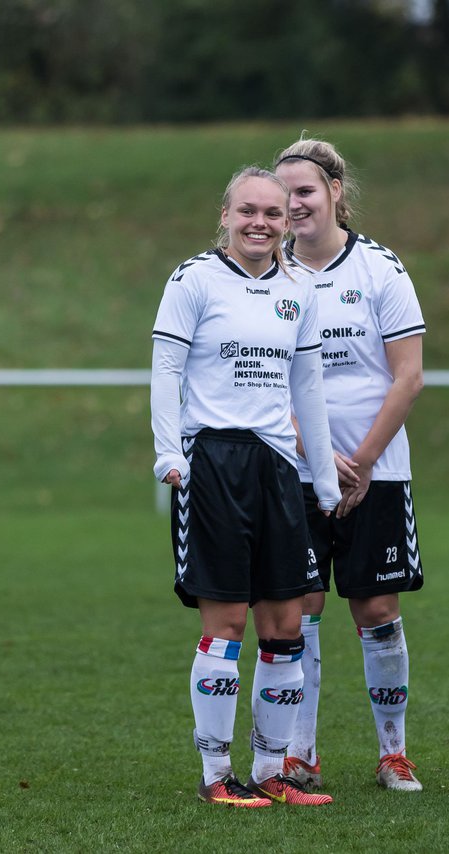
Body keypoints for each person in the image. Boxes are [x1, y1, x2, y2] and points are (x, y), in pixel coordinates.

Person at [150, 166, 342, 808]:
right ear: (225, 216)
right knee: (228, 619)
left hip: (277, 466)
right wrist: (168, 452)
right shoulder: (194, 280)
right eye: (247, 211)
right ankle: (214, 775)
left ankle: (270, 771)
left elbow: (307, 387)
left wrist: (318, 476)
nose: (260, 223)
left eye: (273, 213)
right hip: (215, 462)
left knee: (285, 621)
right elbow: (166, 368)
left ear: (288, 221)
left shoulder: (301, 289)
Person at [272, 138, 427, 792]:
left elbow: (409, 377)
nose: (292, 206)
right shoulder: (265, 274)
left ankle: (393, 753)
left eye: (303, 191)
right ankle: (298, 755)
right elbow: (259, 381)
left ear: (335, 189)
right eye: (281, 197)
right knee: (298, 608)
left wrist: (358, 464)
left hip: (376, 473)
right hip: (294, 469)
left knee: (376, 608)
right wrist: (314, 451)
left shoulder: (381, 271)